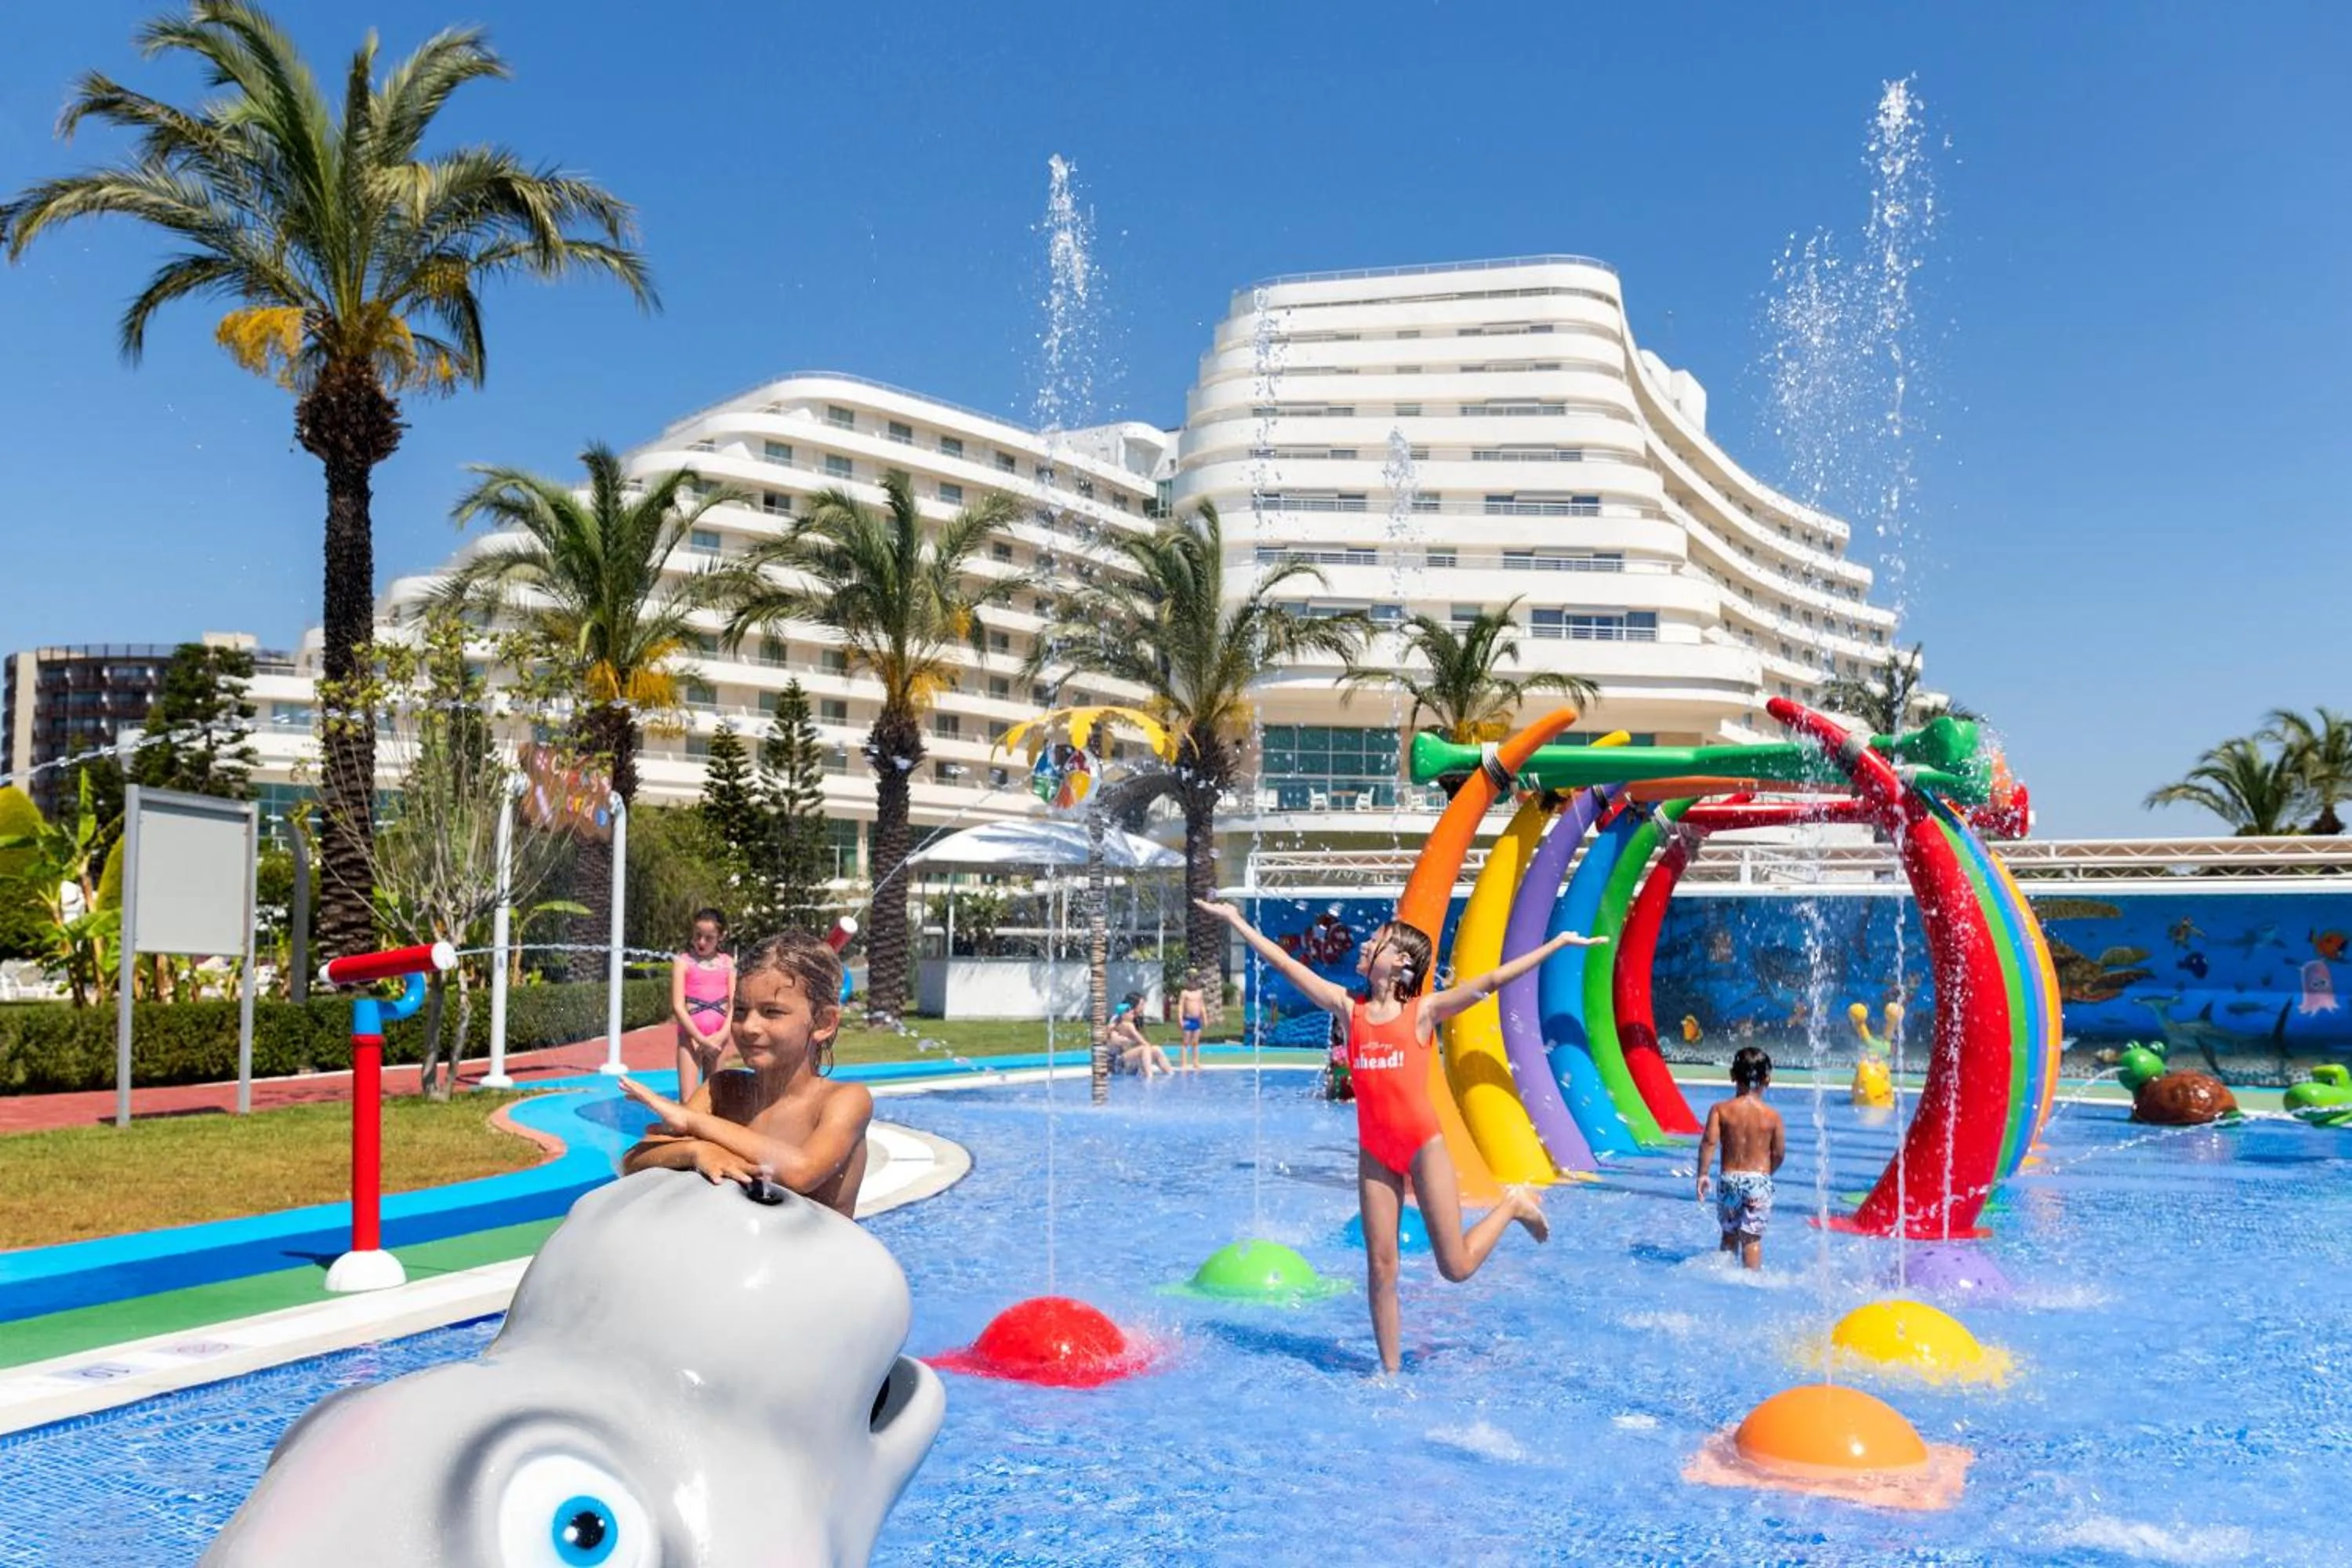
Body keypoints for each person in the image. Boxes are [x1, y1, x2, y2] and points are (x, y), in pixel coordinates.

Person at [1195, 896, 1609, 1376]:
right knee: (1381, 1267)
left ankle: (1514, 1205)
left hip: (1423, 1147)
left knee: (1454, 1268)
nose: (1366, 942)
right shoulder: (1347, 1008)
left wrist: (1555, 944)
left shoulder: (1422, 1013)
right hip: (1375, 1153)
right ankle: (1390, 1373)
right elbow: (1286, 965)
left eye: (1378, 941)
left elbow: (1492, 982)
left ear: (1401, 964)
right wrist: (1237, 922)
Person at [621, 931, 873, 1219]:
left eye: (772, 1012)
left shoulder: (844, 1100)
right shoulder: (724, 1089)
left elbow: (803, 1172)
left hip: (817, 1259)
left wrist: (693, 1121)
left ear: (824, 1022)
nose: (749, 1026)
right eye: (740, 1010)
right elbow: (633, 1160)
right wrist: (696, 1150)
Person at [1696, 1046, 1785, 1270]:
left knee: (1729, 1234)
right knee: (1751, 1239)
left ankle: (1723, 1274)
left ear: (1732, 1076)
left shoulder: (1720, 1110)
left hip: (1729, 1180)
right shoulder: (1772, 1117)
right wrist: (1765, 1174)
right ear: (1767, 1079)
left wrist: (1703, 1174)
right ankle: (1751, 1279)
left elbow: (1709, 1142)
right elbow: (1779, 1153)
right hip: (1758, 1181)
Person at [671, 907, 736, 1101]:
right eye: (698, 935)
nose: (702, 942)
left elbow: (734, 1004)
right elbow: (678, 1006)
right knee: (689, 1100)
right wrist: (699, 1038)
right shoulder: (683, 962)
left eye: (709, 938)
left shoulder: (727, 963)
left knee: (714, 1098)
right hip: (691, 1038)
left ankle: (708, 1130)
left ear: (721, 937)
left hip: (719, 1038)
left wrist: (722, 1035)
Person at [1107, 993, 1174, 1077]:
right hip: (1117, 1061)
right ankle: (1149, 1077)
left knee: (1156, 1049)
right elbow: (1112, 1037)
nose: (1144, 1007)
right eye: (1141, 1004)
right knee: (1145, 1048)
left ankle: (1170, 1074)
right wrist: (1114, 1035)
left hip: (1130, 1055)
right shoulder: (1118, 1020)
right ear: (1133, 1005)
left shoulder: (1136, 1019)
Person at [1178, 979, 1207, 1072]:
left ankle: (1195, 1062)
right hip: (1188, 1019)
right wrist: (1180, 1019)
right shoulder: (1184, 993)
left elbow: (1202, 1006)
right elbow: (1181, 1006)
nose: (1193, 984)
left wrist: (1205, 1018)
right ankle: (1184, 1062)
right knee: (1186, 1042)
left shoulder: (1199, 993)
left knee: (1195, 1042)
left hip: (1196, 1020)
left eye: (1194, 982)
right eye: (1191, 982)